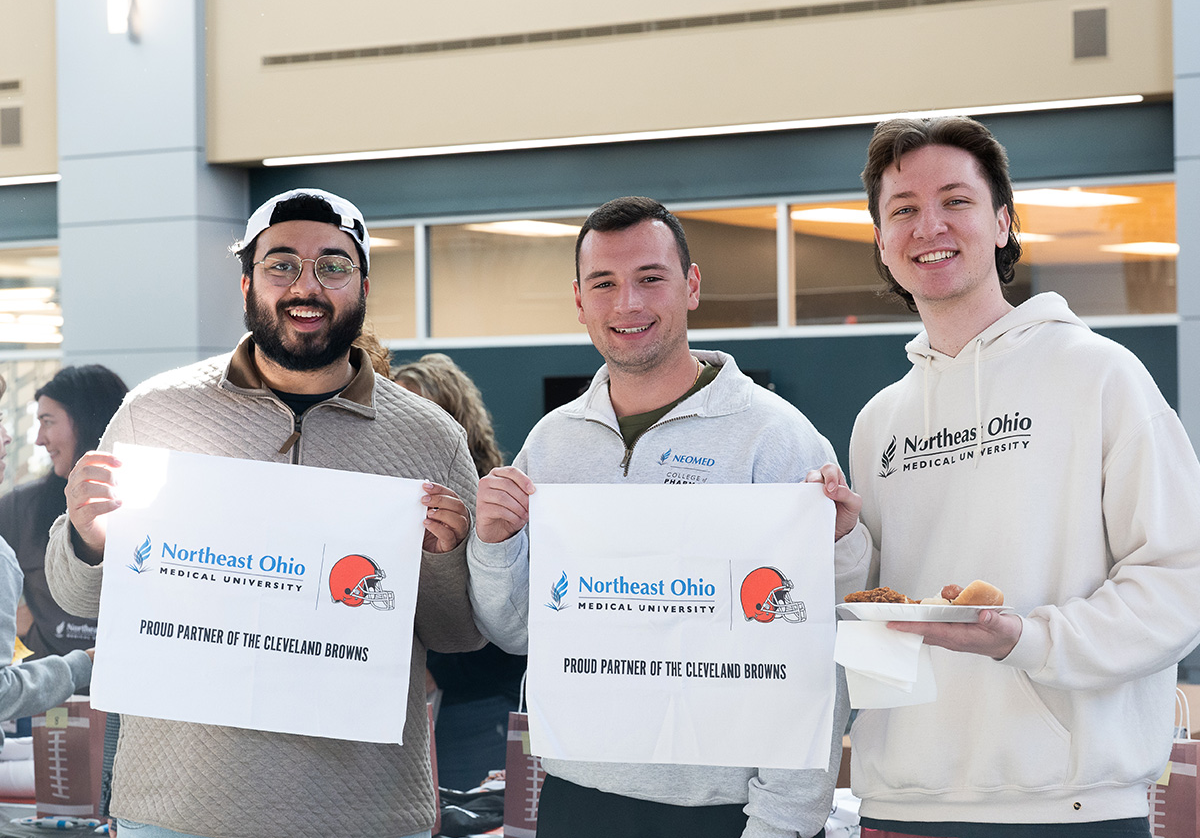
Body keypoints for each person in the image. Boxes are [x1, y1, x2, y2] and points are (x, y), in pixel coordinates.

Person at [44, 188, 483, 838]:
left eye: (332, 266)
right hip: (177, 811)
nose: (306, 285)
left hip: (365, 812)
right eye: (282, 264)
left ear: (363, 284)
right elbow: (79, 598)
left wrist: (445, 559)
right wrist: (86, 538)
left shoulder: (429, 438)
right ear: (248, 281)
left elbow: (458, 634)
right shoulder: (157, 411)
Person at [843, 116, 1200, 837]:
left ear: (1003, 222)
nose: (929, 226)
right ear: (882, 241)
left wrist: (1027, 639)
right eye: (903, 210)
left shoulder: (1099, 375)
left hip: (1068, 808)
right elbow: (873, 608)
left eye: (956, 200)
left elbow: (1180, 577)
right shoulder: (879, 419)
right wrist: (837, 544)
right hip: (900, 804)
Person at [468, 196, 868, 838]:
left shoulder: (775, 438)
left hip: (727, 816)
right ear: (579, 300)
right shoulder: (553, 442)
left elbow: (819, 652)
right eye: (604, 283)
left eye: (650, 278)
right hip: (579, 800)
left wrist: (785, 818)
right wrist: (494, 545)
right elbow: (517, 632)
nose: (627, 303)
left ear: (692, 286)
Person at [393, 353, 526, 789]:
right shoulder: (390, 504)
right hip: (406, 705)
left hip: (477, 707)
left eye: (420, 416)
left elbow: (506, 624)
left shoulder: (499, 503)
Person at [0, 365, 127, 661]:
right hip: (45, 696)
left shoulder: (145, 504)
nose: (38, 439)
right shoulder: (20, 507)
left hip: (123, 691)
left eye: (48, 421)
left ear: (86, 420)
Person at [0, 374, 93, 728]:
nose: (29, 438)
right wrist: (84, 663)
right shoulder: (19, 511)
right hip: (41, 705)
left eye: (47, 422)